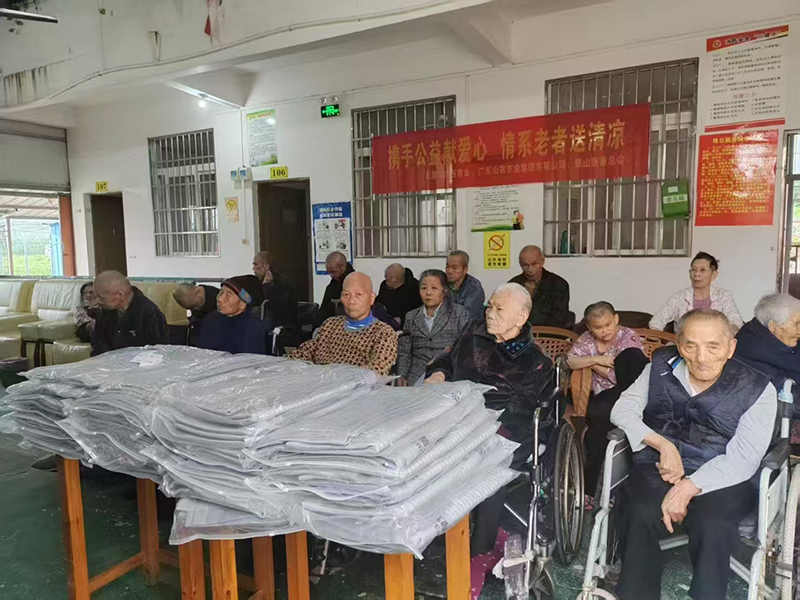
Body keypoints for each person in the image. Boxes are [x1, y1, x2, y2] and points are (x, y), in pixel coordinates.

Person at [611, 309, 777, 600]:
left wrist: (688, 486)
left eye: (713, 346)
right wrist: (663, 445)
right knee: (640, 509)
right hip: (660, 466)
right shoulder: (660, 366)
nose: (701, 357)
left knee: (713, 523)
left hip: (724, 472)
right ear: (679, 344)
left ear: (731, 348)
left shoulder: (757, 387)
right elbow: (622, 410)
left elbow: (744, 457)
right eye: (691, 346)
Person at [425, 283, 553, 598]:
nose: (490, 314)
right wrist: (439, 374)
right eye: (489, 306)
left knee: (486, 467)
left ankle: (478, 551)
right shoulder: (473, 332)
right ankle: (432, 536)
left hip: (504, 432)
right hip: (455, 420)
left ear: (521, 317)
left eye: (499, 309)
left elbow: (518, 414)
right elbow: (445, 360)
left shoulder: (536, 361)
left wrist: (473, 427)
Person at [567, 302, 648, 494]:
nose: (604, 331)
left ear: (616, 319)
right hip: (604, 397)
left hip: (629, 391)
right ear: (589, 327)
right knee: (596, 431)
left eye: (608, 324)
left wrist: (592, 365)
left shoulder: (627, 337)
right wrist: (597, 360)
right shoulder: (587, 339)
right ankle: (591, 490)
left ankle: (604, 487)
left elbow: (621, 376)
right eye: (598, 327)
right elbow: (570, 361)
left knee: (600, 414)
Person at [290, 272, 397, 375]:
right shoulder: (330, 325)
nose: (351, 301)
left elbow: (376, 370)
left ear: (371, 298)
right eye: (346, 294)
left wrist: (338, 377)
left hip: (357, 387)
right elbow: (303, 353)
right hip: (319, 383)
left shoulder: (383, 333)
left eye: (358, 295)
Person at [735, 293, 800, 441]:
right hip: (782, 408)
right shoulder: (760, 351)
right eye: (796, 324)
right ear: (773, 326)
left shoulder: (755, 328)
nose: (799, 330)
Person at [395, 269, 471, 386]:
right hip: (416, 374)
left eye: (434, 288)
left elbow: (466, 349)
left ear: (444, 291)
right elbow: (405, 350)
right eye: (423, 288)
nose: (428, 293)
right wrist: (402, 375)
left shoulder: (459, 313)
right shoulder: (411, 316)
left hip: (447, 374)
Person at [649, 251, 743, 331]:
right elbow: (659, 317)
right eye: (693, 270)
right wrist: (655, 331)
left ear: (714, 275)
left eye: (702, 270)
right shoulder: (680, 297)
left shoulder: (723, 296)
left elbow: (736, 320)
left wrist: (728, 333)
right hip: (685, 344)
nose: (697, 274)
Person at [91, 270, 168, 356]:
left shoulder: (149, 312)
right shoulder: (105, 311)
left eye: (101, 298)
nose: (98, 301)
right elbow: (98, 345)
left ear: (120, 295)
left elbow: (157, 350)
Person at [195, 276, 268, 354]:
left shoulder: (253, 329)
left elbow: (249, 360)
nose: (220, 299)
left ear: (242, 304)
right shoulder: (210, 320)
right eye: (221, 292)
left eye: (228, 295)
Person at [508, 245, 571, 328]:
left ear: (542, 262)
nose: (530, 269)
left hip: (548, 332)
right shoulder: (513, 285)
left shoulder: (558, 284)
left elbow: (560, 318)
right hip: (519, 331)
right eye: (525, 265)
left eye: (534, 264)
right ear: (520, 264)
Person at [252, 251, 299, 332]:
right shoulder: (258, 281)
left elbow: (276, 307)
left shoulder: (284, 283)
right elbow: (253, 300)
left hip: (281, 327)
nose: (253, 268)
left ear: (266, 266)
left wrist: (267, 286)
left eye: (256, 265)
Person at [313, 251, 355, 329]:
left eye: (333, 272)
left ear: (342, 267)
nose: (331, 275)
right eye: (329, 272)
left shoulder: (355, 283)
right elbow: (324, 311)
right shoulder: (333, 285)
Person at [445, 250, 485, 320]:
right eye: (447, 266)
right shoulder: (442, 282)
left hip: (469, 325)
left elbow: (466, 316)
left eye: (454, 268)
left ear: (465, 270)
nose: (449, 271)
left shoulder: (474, 288)